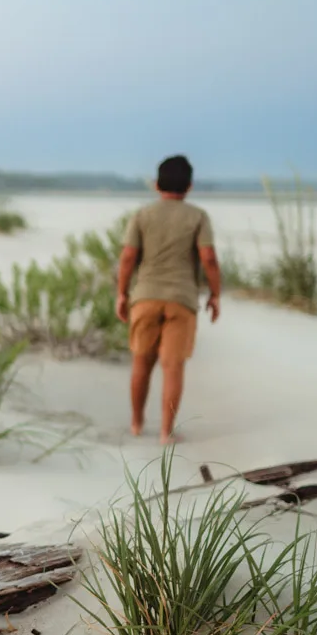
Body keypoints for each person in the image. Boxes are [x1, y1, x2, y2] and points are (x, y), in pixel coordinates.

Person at [115, 154, 222, 444]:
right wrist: (215, 294)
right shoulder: (198, 216)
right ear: (189, 185)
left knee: (141, 362)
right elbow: (209, 259)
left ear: (156, 184)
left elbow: (127, 258)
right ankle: (166, 432)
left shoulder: (141, 215)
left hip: (145, 296)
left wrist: (122, 293)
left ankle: (136, 424)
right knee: (172, 367)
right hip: (181, 300)